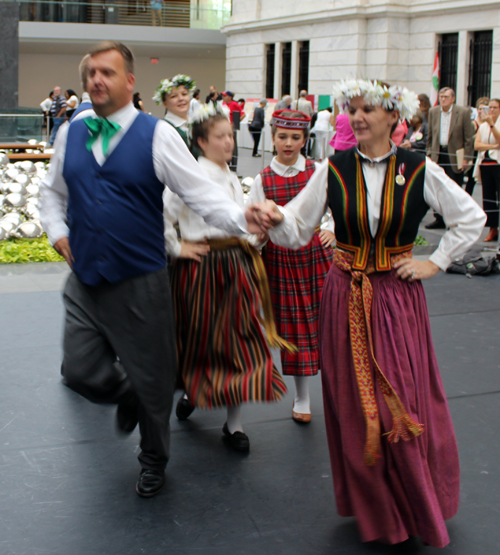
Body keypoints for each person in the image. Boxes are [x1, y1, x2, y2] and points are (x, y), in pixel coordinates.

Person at [255, 79, 485, 547]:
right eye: (352, 109)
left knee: (402, 401)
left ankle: (416, 503)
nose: (357, 117)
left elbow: (472, 218)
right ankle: (377, 511)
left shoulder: (419, 168)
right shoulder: (334, 169)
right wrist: (275, 218)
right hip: (343, 293)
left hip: (396, 299)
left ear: (392, 118)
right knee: (353, 407)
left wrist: (434, 262)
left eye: (368, 110)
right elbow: (298, 225)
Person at [40, 41, 271, 499]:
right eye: (90, 74)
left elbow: (200, 194)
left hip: (142, 280)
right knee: (82, 370)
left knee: (152, 375)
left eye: (107, 72)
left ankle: (153, 460)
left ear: (130, 81)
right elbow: (53, 193)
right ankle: (128, 394)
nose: (96, 81)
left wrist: (241, 219)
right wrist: (56, 231)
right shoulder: (72, 131)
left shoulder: (157, 136)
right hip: (85, 279)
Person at [164, 103, 288, 451]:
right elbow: (161, 216)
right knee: (201, 338)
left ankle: (234, 425)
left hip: (235, 267)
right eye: (220, 137)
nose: (229, 142)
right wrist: (178, 247)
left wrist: (254, 239)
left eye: (231, 136)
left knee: (239, 341)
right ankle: (193, 390)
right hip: (201, 269)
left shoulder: (230, 175)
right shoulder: (190, 175)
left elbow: (236, 222)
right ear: (201, 142)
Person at [249, 109, 334, 423]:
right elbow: (255, 225)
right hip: (281, 260)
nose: (288, 143)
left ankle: (338, 391)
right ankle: (302, 396)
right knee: (294, 330)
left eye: (295, 137)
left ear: (305, 139)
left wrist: (331, 229)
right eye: (282, 136)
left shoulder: (317, 171)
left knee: (327, 324)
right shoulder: (262, 180)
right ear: (271, 138)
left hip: (316, 256)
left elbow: (334, 208)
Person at [426, 87, 474, 229]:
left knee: (454, 188)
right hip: (438, 154)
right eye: (441, 96)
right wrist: (429, 154)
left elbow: (469, 139)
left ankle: (454, 219)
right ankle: (439, 218)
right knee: (437, 187)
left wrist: (466, 158)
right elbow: (430, 135)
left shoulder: (463, 112)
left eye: (446, 97)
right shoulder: (433, 112)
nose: (443, 99)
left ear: (453, 98)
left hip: (454, 155)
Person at [475, 98, 500, 242]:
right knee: (488, 198)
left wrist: (492, 125)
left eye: (494, 108)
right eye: (489, 107)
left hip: (498, 164)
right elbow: (477, 145)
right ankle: (492, 228)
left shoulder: (492, 124)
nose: (491, 110)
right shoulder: (483, 126)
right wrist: (492, 146)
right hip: (485, 164)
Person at [153, 74, 195, 150]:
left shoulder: (195, 123)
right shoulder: (164, 130)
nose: (181, 98)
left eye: (184, 94)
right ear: (165, 103)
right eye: (174, 96)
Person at [222, 90, 242, 172]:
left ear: (230, 97)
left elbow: (242, 114)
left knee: (233, 146)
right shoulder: (223, 104)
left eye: (225, 96)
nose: (223, 97)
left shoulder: (234, 104)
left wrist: (234, 123)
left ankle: (233, 166)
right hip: (224, 128)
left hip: (231, 129)